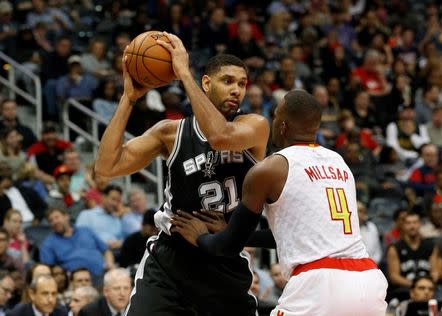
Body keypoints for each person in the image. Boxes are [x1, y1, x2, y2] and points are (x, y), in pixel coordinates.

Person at [95, 32, 269, 315]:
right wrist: (128, 99)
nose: (237, 89)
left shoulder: (254, 127)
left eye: (242, 83)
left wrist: (183, 74)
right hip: (171, 260)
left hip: (223, 256)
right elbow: (106, 166)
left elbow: (220, 137)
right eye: (228, 81)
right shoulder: (171, 132)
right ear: (207, 83)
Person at [171, 90, 388, 316]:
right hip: (367, 280)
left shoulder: (270, 169)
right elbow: (295, 236)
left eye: (275, 116)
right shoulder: (339, 163)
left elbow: (227, 247)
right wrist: (237, 233)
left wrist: (201, 236)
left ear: (282, 126)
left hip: (319, 285)